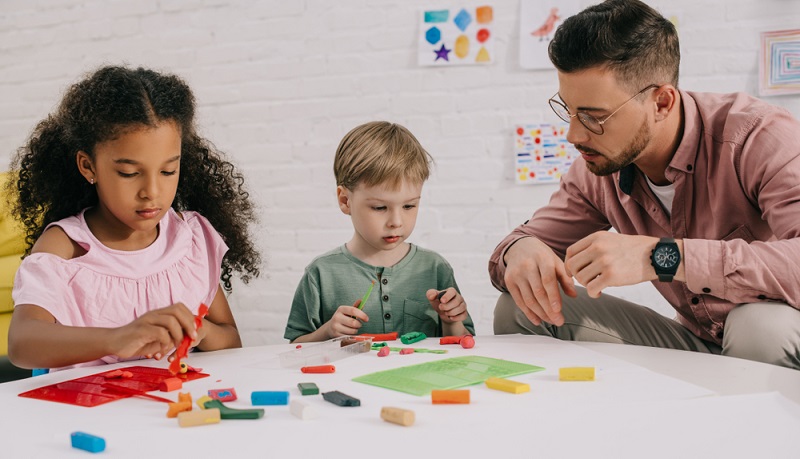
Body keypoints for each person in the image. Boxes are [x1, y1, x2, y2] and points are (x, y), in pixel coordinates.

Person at [490, 0, 800, 369]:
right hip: (695, 342)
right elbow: (513, 252)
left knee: (758, 325)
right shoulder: (598, 166)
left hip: (775, 337)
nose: (573, 134)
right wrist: (519, 252)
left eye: (594, 116)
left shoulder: (759, 138)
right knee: (521, 306)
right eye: (569, 110)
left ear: (662, 102)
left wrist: (660, 257)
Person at [4, 65, 261, 371]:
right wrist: (117, 338)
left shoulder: (189, 239)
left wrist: (199, 331)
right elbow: (22, 343)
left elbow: (232, 340)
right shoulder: (67, 246)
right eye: (129, 173)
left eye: (168, 171)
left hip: (167, 410)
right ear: (88, 167)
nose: (151, 191)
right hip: (87, 413)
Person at [285, 121, 475, 343]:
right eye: (379, 208)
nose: (396, 221)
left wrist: (451, 321)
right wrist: (327, 332)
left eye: (409, 206)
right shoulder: (321, 273)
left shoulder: (434, 268)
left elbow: (464, 343)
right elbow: (295, 347)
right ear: (345, 200)